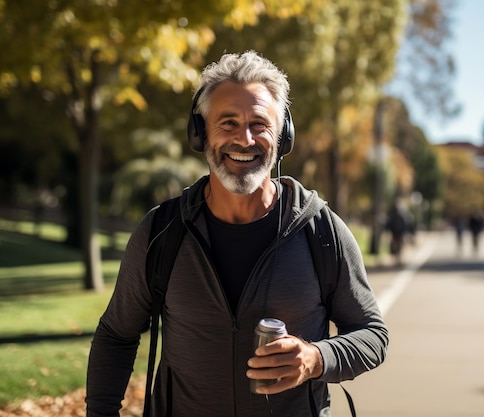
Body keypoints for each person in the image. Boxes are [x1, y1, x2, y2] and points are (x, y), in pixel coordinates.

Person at [86, 50, 388, 417]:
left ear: (282, 135)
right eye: (226, 123)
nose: (244, 139)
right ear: (200, 133)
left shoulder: (321, 230)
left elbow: (373, 335)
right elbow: (116, 336)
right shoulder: (161, 231)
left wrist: (316, 358)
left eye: (259, 124)